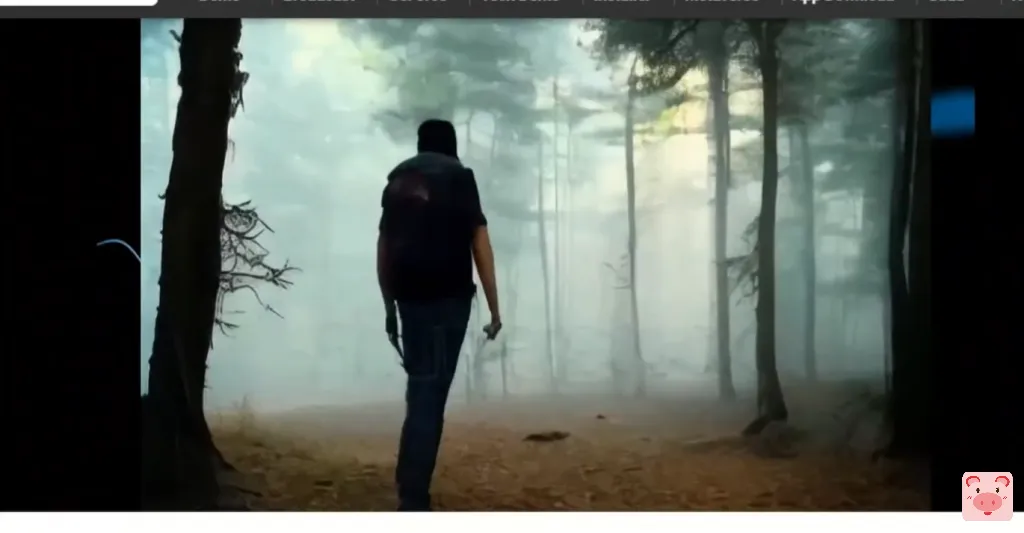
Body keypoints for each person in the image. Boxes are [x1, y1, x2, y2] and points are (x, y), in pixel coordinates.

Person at [377, 119, 502, 511]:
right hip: (448, 300)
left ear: (420, 144)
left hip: (408, 299)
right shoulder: (459, 178)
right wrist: (494, 309)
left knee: (420, 388)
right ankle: (413, 499)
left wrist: (389, 306)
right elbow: (479, 242)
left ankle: (408, 480)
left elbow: (384, 248)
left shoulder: (398, 182)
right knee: (430, 395)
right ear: (452, 145)